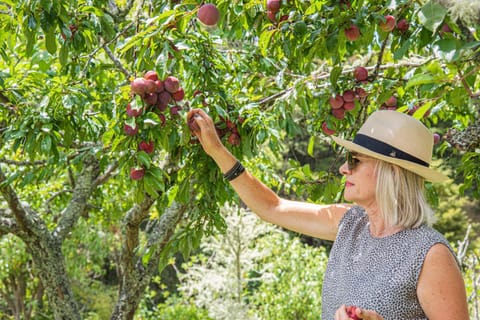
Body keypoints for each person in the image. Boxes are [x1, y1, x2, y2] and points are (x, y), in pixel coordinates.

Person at [186, 108, 469, 320]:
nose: (344, 169)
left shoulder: (429, 254)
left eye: (354, 161)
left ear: (390, 172)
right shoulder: (350, 224)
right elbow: (272, 207)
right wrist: (217, 151)